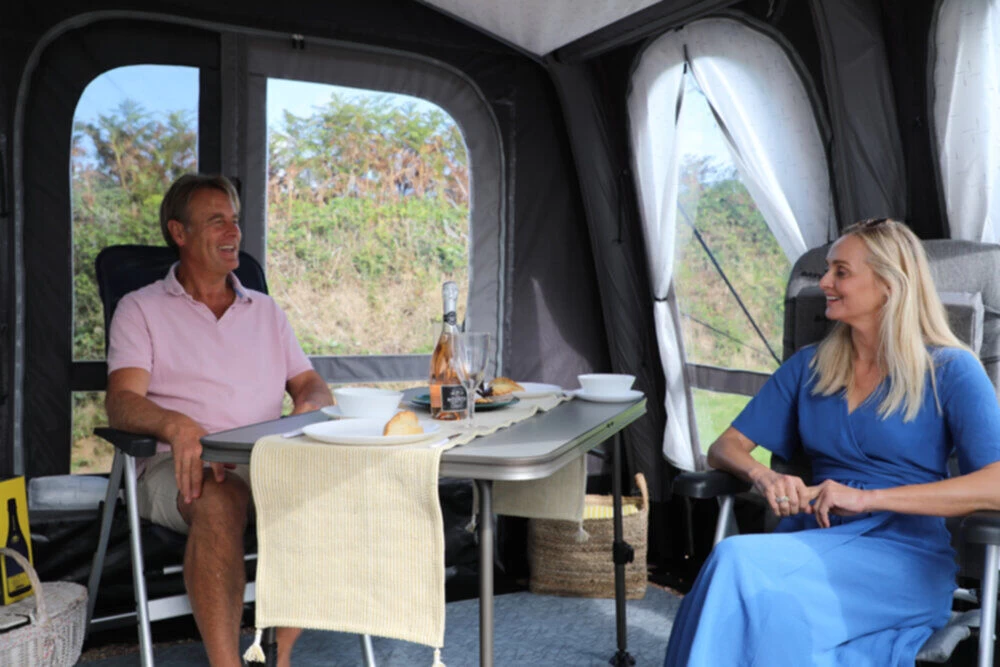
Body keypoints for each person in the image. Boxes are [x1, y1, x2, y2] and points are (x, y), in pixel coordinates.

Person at [664, 218, 1000, 666]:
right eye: (827, 270)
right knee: (757, 593)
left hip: (903, 557)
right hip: (812, 539)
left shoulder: (951, 369)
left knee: (737, 563)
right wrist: (763, 476)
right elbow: (724, 447)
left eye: (840, 272)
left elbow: (995, 484)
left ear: (888, 285)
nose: (823, 282)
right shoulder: (811, 366)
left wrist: (868, 499)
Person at [105, 174, 333, 667]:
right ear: (179, 233)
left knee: (326, 492)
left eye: (234, 220)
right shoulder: (140, 309)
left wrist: (309, 408)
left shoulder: (266, 311)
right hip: (179, 463)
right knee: (219, 501)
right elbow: (121, 402)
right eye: (216, 221)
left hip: (264, 459)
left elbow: (310, 384)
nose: (233, 232)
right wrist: (176, 425)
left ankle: (281, 658)